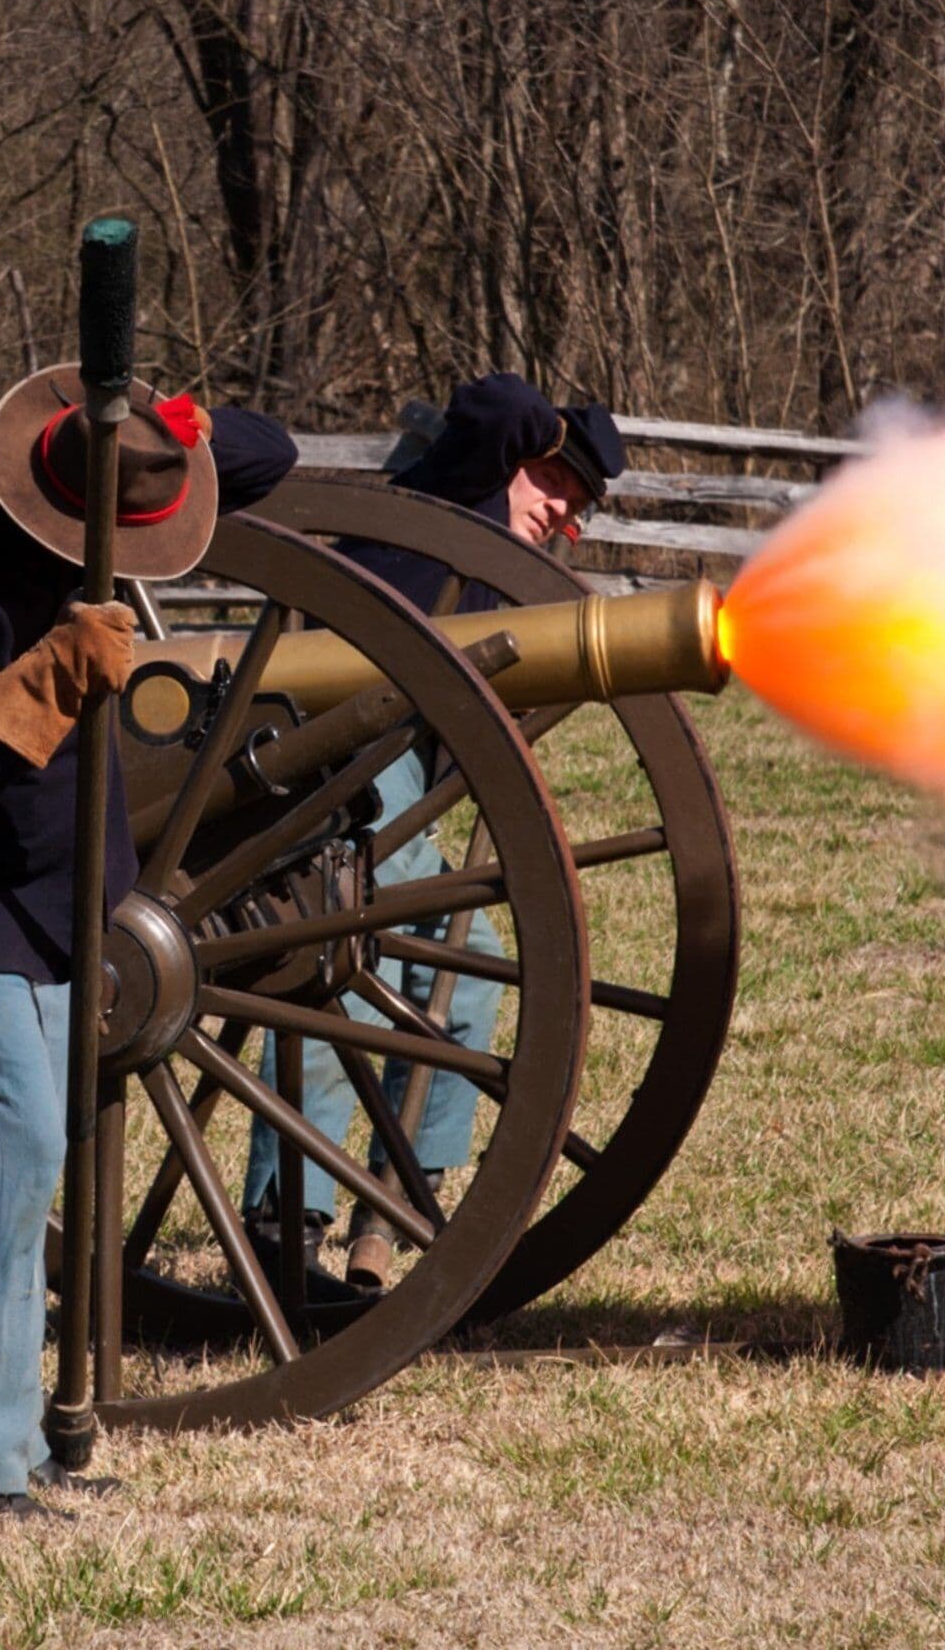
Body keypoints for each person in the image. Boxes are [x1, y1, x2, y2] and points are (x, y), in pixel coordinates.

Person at [0, 367, 294, 1516]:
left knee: (17, 1157)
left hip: (59, 885)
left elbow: (269, 452)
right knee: (6, 1142)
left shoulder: (100, 469)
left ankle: (5, 1436)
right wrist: (43, 682)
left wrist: (152, 431)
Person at [247, 372, 624, 1289]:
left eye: (578, 505)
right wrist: (541, 434)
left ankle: (395, 1208)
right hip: (329, 737)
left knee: (460, 981)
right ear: (521, 460)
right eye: (554, 482)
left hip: (391, 768)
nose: (560, 510)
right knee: (359, 967)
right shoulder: (459, 485)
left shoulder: (508, 578)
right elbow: (491, 404)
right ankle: (286, 1221)